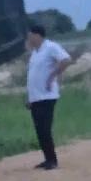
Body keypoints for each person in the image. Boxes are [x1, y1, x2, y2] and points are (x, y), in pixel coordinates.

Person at [26, 24, 71, 170]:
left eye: (30, 35)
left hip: (47, 96)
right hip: (36, 98)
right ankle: (47, 159)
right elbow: (33, 76)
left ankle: (53, 160)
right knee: (39, 130)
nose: (29, 38)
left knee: (45, 129)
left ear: (37, 35)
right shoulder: (35, 52)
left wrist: (52, 76)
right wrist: (30, 98)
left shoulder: (50, 47)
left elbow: (66, 60)